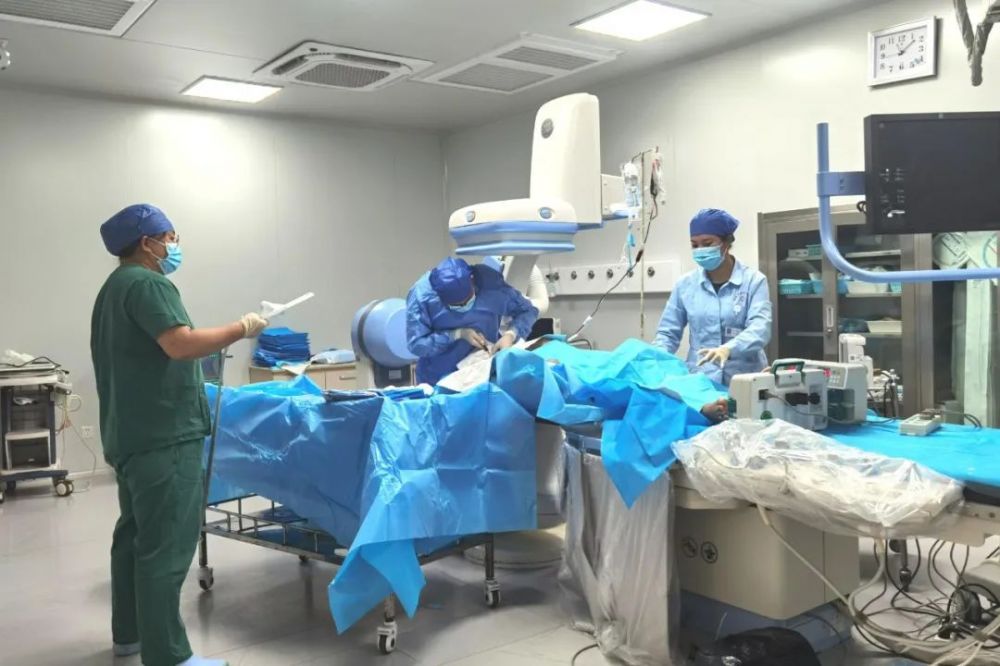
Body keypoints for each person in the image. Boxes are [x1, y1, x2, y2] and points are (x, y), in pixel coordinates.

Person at [91, 204, 268, 666]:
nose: (174, 245)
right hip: (164, 435)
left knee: (134, 537)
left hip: (131, 434)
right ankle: (168, 656)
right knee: (165, 546)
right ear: (147, 242)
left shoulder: (113, 288)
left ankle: (130, 635)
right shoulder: (149, 284)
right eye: (170, 237)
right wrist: (241, 328)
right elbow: (180, 343)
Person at [653, 208, 772, 388]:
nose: (700, 250)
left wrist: (729, 349)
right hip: (701, 379)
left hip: (744, 378)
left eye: (707, 243)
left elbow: (760, 328)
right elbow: (667, 333)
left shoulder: (753, 281)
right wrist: (655, 358)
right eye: (695, 245)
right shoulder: (685, 285)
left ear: (726, 243)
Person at [406, 257, 539, 385]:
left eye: (468, 300)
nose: (464, 307)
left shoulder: (490, 283)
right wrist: (455, 335)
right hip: (439, 378)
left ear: (472, 280)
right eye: (456, 305)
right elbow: (417, 345)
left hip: (484, 374)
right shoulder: (422, 296)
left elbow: (528, 310)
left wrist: (511, 334)